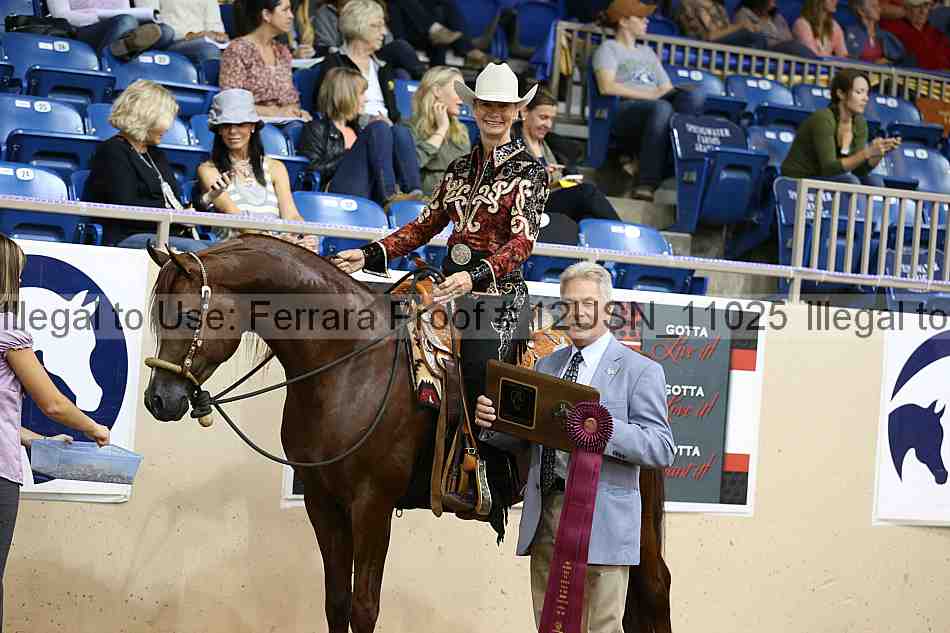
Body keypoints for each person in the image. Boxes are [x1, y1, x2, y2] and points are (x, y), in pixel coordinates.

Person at [331, 63, 548, 515]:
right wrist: (370, 254)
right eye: (485, 104)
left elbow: (522, 242)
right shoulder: (459, 168)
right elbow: (423, 226)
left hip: (498, 296)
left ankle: (487, 468)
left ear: (516, 112)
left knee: (478, 370)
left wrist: (475, 276)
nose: (493, 113)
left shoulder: (531, 171)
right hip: (448, 285)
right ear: (474, 107)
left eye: (502, 106)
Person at [473, 261, 675, 633]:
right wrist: (492, 424)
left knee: (601, 628)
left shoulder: (640, 371)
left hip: (604, 522)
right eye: (569, 304)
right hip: (548, 515)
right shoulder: (546, 366)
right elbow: (528, 438)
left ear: (608, 310)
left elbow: (661, 447)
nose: (578, 313)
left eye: (588, 304)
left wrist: (602, 430)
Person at [0, 234, 111, 626]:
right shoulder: (8, 331)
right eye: (17, 275)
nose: (19, 282)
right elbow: (53, 404)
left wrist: (38, 440)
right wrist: (94, 428)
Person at [593, 0, 705, 202]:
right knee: (662, 108)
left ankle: (680, 165)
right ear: (624, 21)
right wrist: (651, 96)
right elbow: (606, 86)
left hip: (656, 107)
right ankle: (647, 182)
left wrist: (671, 93)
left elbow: (665, 87)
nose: (647, 22)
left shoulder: (648, 52)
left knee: (693, 97)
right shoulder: (608, 49)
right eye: (641, 17)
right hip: (626, 110)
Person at [82, 80, 209, 251]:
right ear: (146, 118)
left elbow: (174, 202)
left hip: (167, 233)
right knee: (201, 252)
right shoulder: (113, 151)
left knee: (227, 250)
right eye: (165, 120)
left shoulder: (155, 154)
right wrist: (175, 216)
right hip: (128, 235)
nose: (168, 128)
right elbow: (127, 206)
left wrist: (204, 201)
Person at [196, 90, 317, 249]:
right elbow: (236, 219)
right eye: (226, 125)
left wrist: (303, 235)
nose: (232, 131)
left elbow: (291, 215)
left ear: (252, 126)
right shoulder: (208, 170)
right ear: (219, 130)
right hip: (234, 251)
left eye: (240, 124)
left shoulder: (276, 167)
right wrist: (278, 241)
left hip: (277, 248)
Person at [298, 67, 424, 205]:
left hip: (369, 189)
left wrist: (390, 134)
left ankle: (415, 194)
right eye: (362, 94)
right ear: (345, 95)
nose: (366, 99)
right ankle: (389, 197)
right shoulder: (317, 128)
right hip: (336, 190)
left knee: (399, 131)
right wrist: (347, 155)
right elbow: (309, 170)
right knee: (379, 127)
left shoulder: (358, 129)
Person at [517, 88, 620, 223]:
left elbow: (557, 181)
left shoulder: (553, 145)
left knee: (589, 216)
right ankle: (622, 231)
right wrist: (539, 176)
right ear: (524, 111)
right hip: (529, 205)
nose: (548, 125)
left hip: (553, 198)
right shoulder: (511, 143)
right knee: (587, 192)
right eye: (543, 118)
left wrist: (567, 179)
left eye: (552, 119)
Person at [781, 69, 899, 186]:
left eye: (867, 93)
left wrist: (878, 153)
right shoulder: (823, 119)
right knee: (850, 181)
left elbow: (858, 171)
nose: (866, 98)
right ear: (841, 94)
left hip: (826, 178)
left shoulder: (859, 123)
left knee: (874, 182)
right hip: (799, 180)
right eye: (859, 92)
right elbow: (829, 168)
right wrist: (866, 153)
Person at [220, 0, 313, 121]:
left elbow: (291, 99)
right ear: (266, 15)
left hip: (285, 122)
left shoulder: (282, 51)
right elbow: (231, 103)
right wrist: (276, 112)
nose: (291, 16)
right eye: (285, 10)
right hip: (252, 124)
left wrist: (297, 112)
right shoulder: (238, 50)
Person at [297, 0, 427, 78]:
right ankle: (427, 79)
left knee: (401, 70)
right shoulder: (325, 13)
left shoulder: (369, 7)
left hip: (375, 54)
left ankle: (424, 80)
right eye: (375, 25)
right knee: (399, 49)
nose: (382, 30)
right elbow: (325, 46)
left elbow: (387, 39)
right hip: (346, 57)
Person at [407, 66, 472, 197]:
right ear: (437, 90)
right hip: (425, 201)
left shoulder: (461, 131)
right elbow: (413, 164)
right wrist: (441, 129)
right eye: (457, 90)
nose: (462, 99)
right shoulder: (408, 128)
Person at [386, 0, 493, 68]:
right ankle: (465, 47)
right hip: (401, 34)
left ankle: (463, 44)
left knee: (444, 6)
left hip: (422, 32)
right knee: (439, 36)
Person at [47, 0, 173, 58]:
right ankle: (122, 53)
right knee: (126, 21)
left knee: (166, 32)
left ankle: (124, 49)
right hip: (81, 29)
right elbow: (60, 15)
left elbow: (125, 11)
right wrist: (98, 17)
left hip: (119, 25)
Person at [137, 0, 229, 65]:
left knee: (225, 48)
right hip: (169, 41)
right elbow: (149, 22)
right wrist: (190, 35)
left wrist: (219, 36)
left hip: (202, 40)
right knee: (208, 50)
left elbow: (215, 26)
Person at [732, 0, 819, 56]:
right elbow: (745, 39)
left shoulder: (777, 17)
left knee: (794, 46)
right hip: (764, 55)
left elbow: (789, 39)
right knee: (793, 47)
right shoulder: (744, 14)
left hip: (785, 57)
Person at [881, 0, 950, 70]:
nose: (923, 11)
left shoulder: (936, 33)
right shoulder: (892, 28)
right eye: (918, 6)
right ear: (906, 7)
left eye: (927, 5)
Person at [845, 0, 910, 64]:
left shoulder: (886, 35)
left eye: (878, 6)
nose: (878, 9)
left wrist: (886, 61)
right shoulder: (849, 32)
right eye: (873, 6)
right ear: (861, 11)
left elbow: (899, 58)